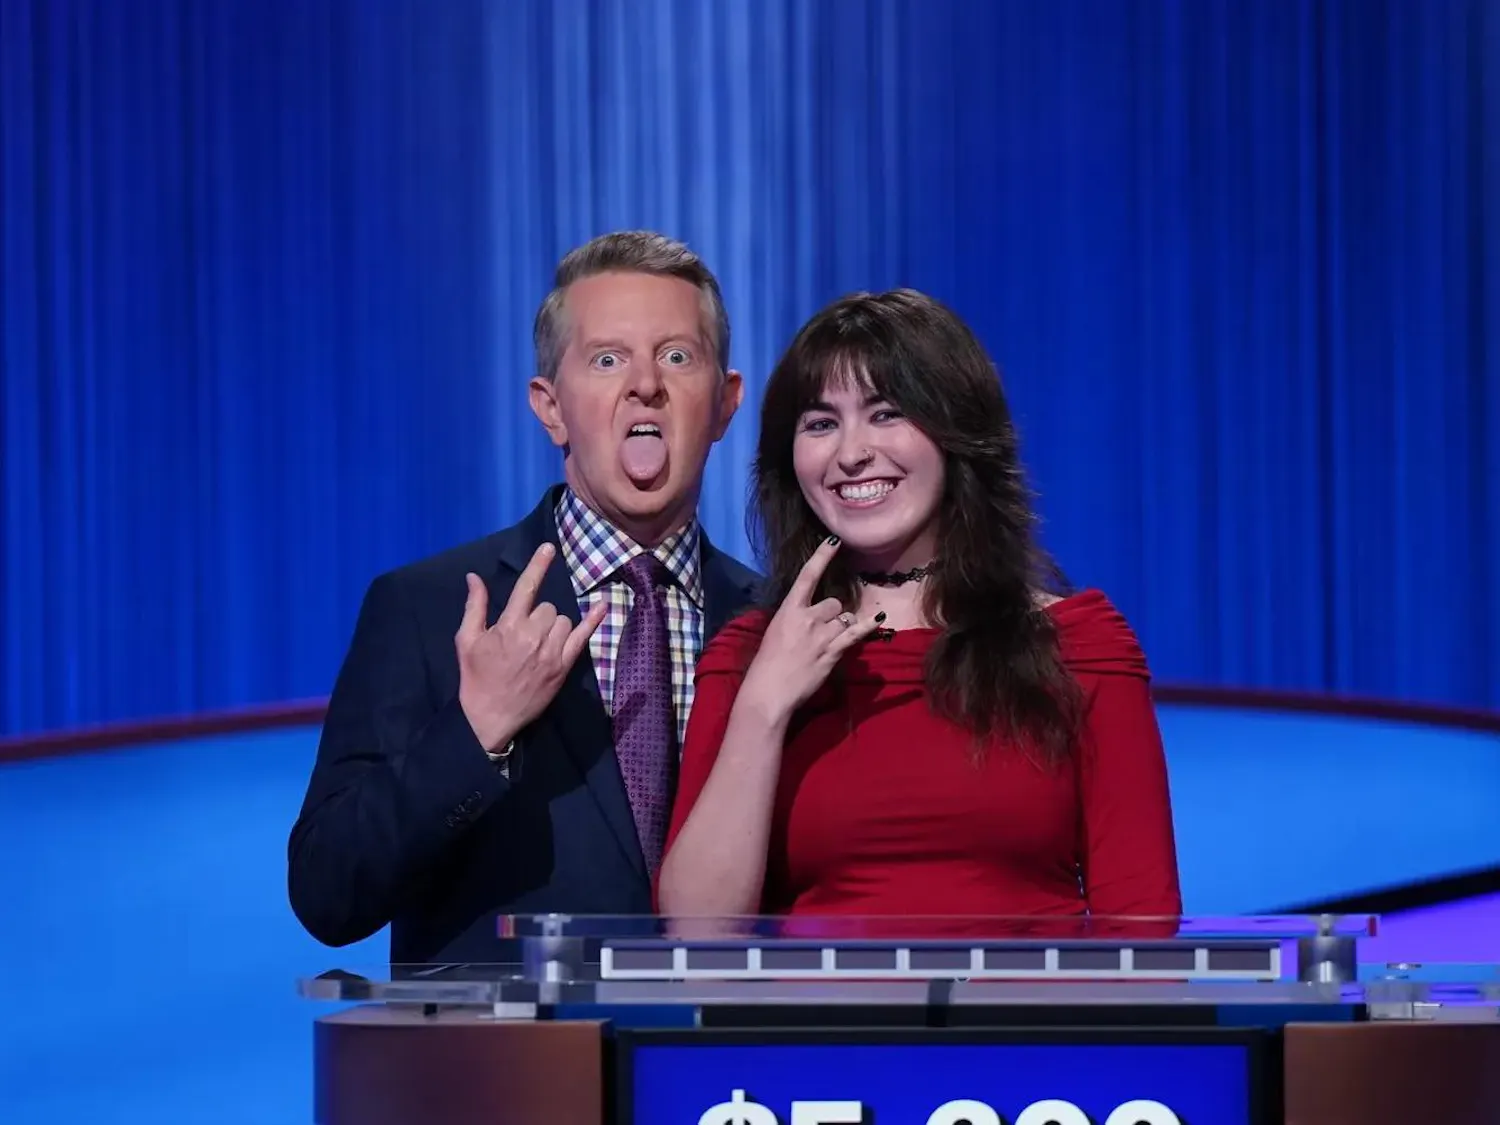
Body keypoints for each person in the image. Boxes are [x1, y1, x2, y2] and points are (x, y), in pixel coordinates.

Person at [288, 231, 760, 964]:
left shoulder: (775, 627)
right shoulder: (426, 608)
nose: (646, 384)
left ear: (725, 403)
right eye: (607, 360)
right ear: (551, 407)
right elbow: (329, 890)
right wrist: (476, 729)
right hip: (510, 1039)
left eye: (676, 356)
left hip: (717, 1040)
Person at [655, 288, 1181, 930]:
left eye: (886, 414)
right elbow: (696, 933)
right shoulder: (748, 657)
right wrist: (762, 709)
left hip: (1027, 1000)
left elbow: (1143, 932)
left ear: (958, 432)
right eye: (821, 424)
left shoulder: (1079, 645)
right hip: (816, 1000)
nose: (851, 453)